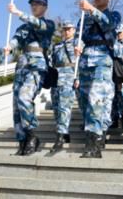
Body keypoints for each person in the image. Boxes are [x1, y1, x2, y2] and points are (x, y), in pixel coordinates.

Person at [4, 0, 55, 156]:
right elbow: (17, 39)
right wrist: (9, 47)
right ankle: (22, 141)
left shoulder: (48, 24)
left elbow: (38, 24)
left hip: (36, 65)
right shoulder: (24, 27)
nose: (34, 6)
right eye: (32, 4)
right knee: (16, 107)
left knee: (24, 98)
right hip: (22, 66)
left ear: (45, 7)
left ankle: (32, 135)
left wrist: (17, 12)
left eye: (38, 4)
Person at [74, 0, 121, 158]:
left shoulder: (113, 15)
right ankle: (99, 134)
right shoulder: (83, 18)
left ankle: (92, 144)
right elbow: (77, 36)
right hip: (86, 61)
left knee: (96, 99)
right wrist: (76, 45)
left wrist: (91, 10)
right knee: (86, 102)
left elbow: (108, 25)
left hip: (102, 59)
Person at [49, 21, 76, 153]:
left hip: (69, 78)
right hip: (56, 78)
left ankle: (59, 137)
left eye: (69, 29)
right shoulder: (57, 46)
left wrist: (79, 77)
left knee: (64, 107)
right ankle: (65, 133)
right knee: (56, 108)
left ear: (74, 30)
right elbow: (51, 62)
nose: (66, 31)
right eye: (64, 29)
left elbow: (82, 62)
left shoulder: (78, 44)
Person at [111, 24, 123, 130]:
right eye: (116, 33)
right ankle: (115, 120)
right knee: (114, 99)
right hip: (114, 75)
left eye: (120, 32)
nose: (118, 35)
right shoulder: (114, 44)